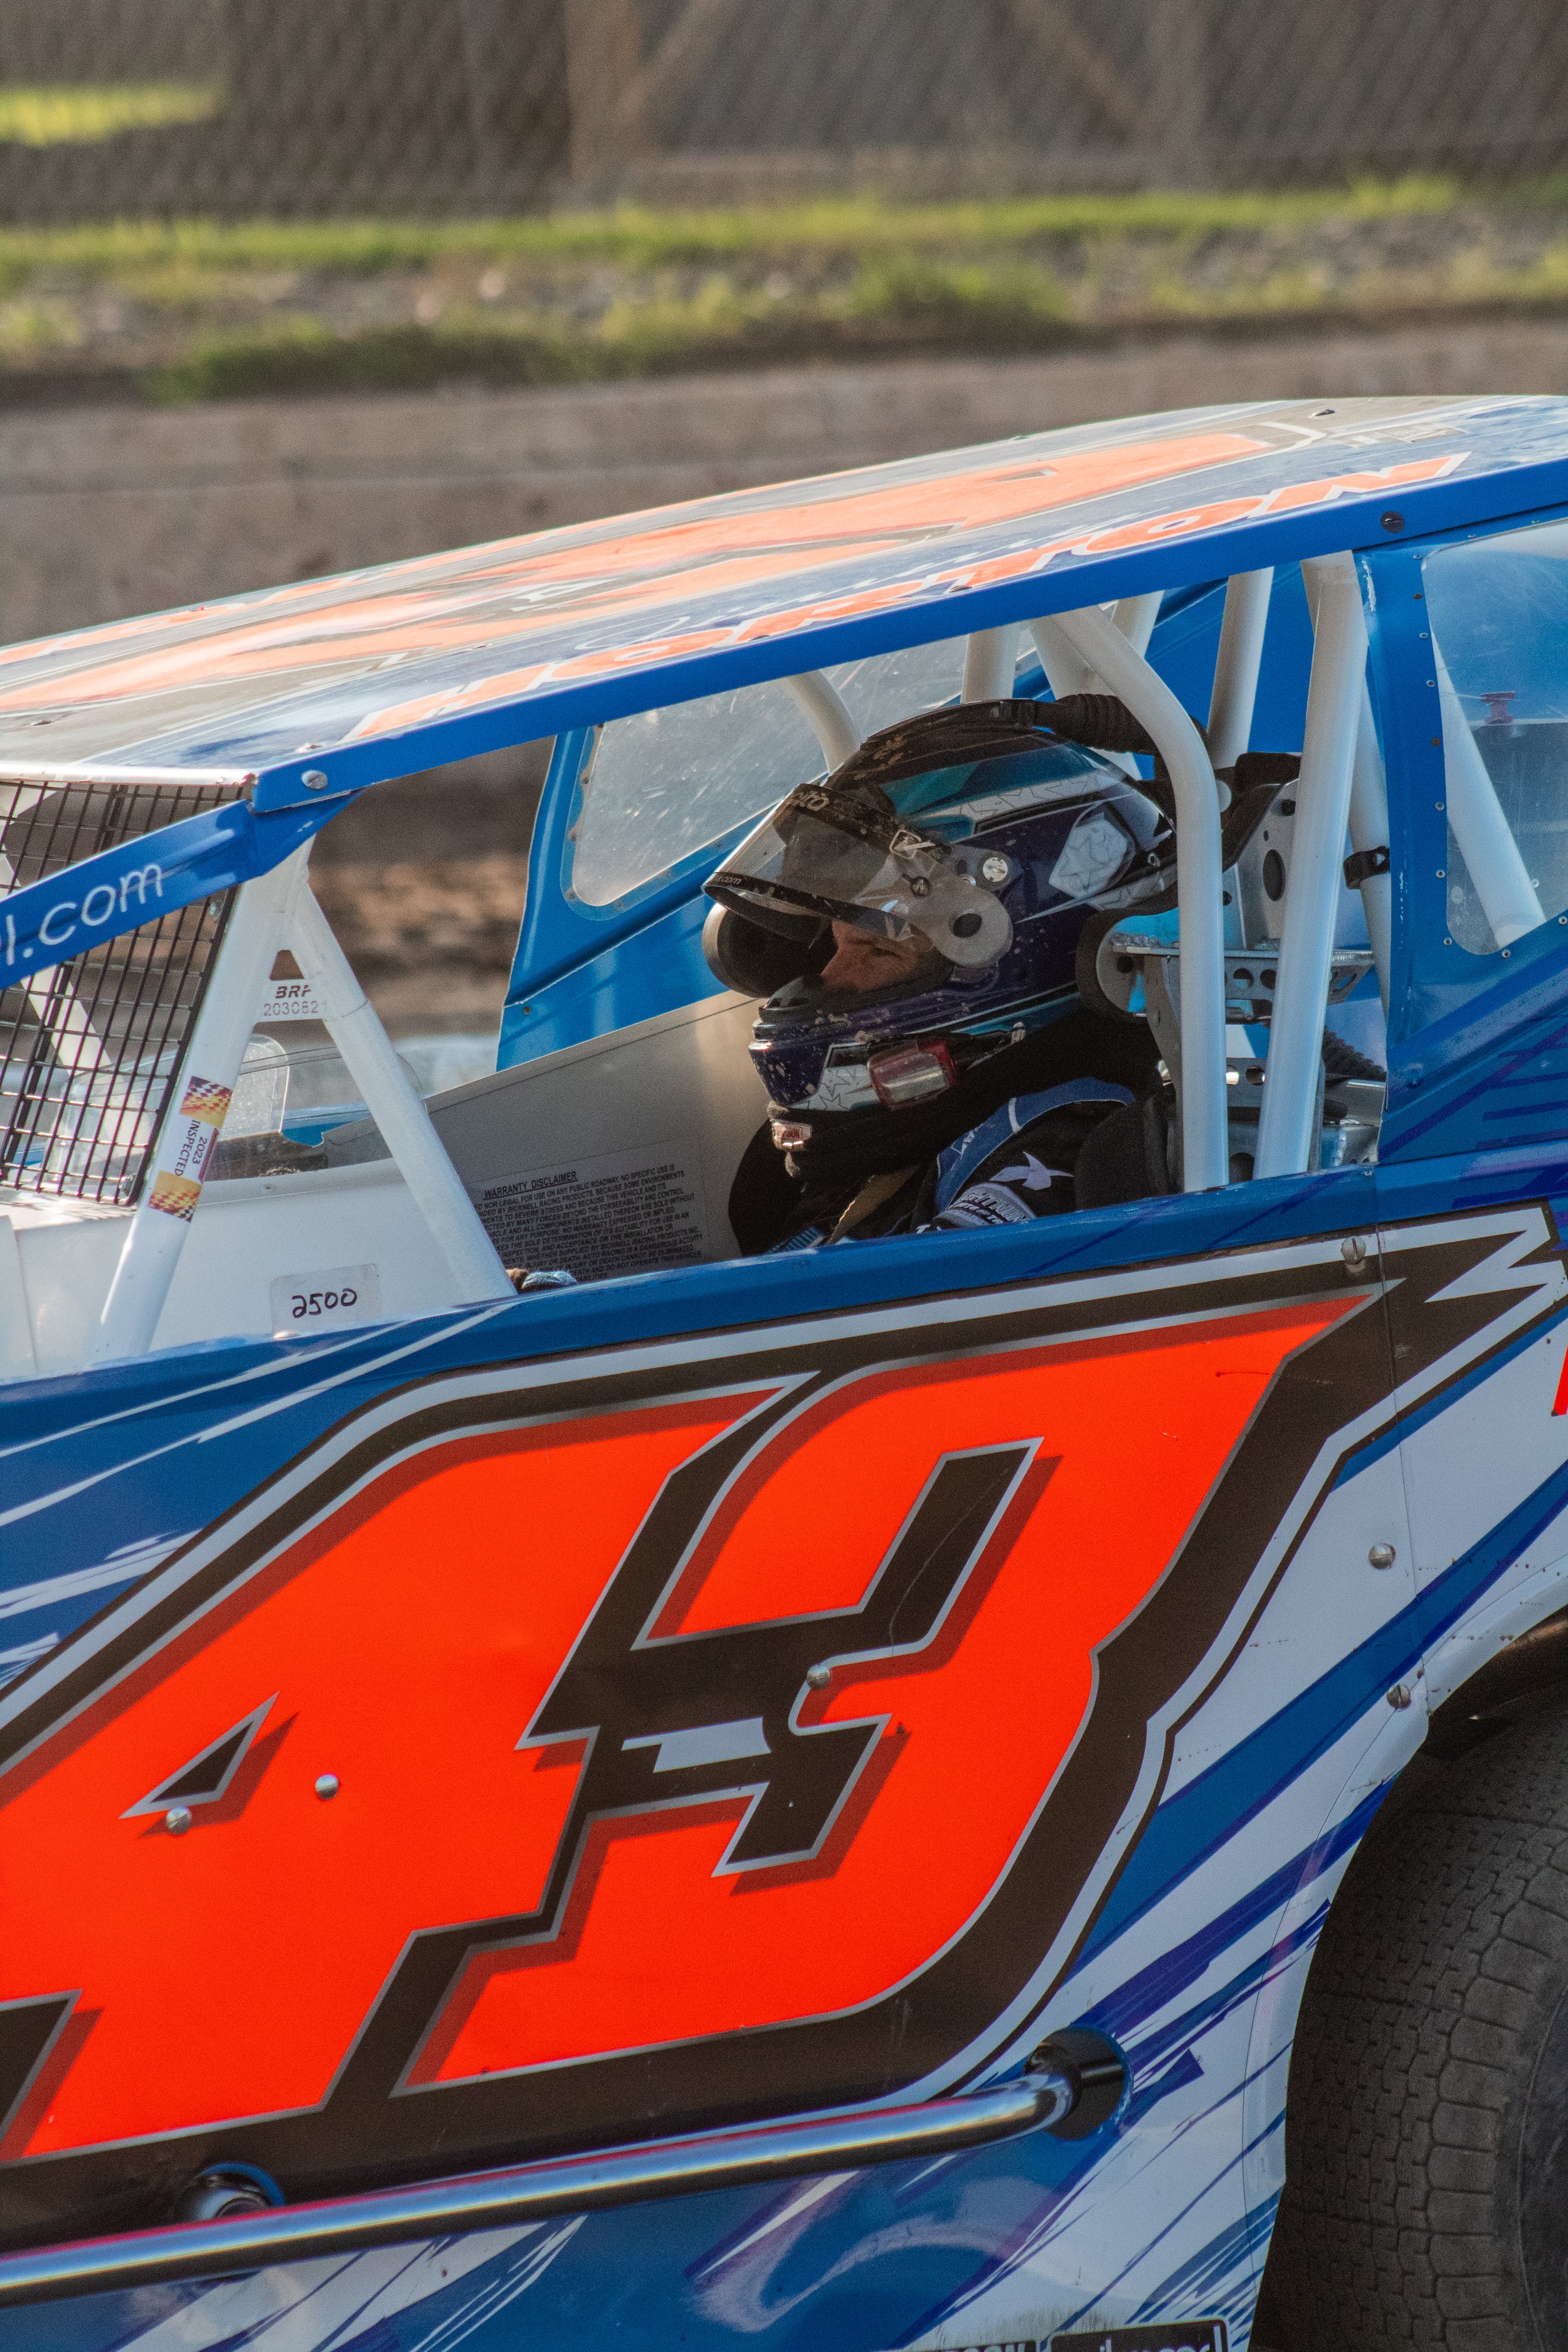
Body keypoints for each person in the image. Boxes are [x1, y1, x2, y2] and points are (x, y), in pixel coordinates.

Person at [702, 696, 1174, 1253]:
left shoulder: (1063, 1144)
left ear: (1021, 968)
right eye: (838, 941)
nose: (830, 977)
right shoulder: (890, 1137)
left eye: (878, 951)